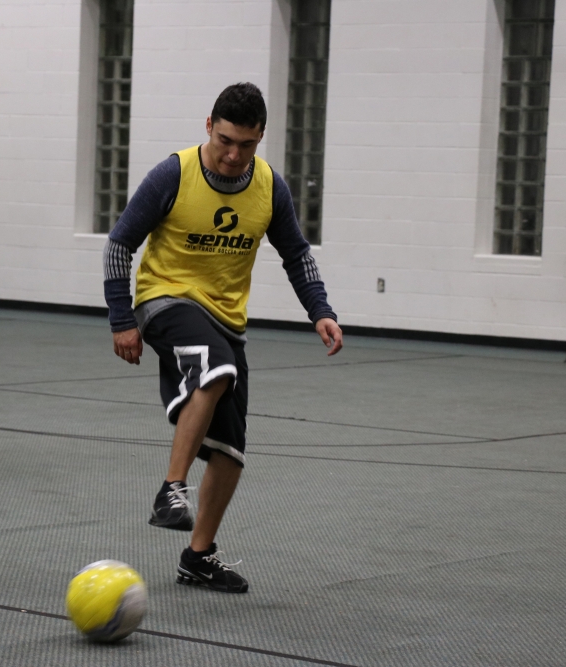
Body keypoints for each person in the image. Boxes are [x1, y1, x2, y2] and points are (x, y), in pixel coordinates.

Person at [103, 83, 343, 593]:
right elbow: (120, 243)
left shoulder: (270, 187)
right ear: (209, 125)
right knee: (216, 368)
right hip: (165, 300)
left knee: (231, 450)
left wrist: (320, 310)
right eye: (227, 140)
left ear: (260, 138)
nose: (235, 155)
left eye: (248, 145)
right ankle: (170, 490)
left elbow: (297, 254)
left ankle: (198, 556)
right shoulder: (174, 174)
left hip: (226, 319)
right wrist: (122, 318)